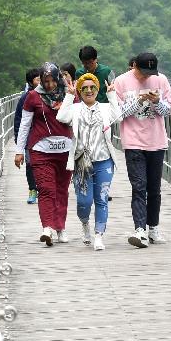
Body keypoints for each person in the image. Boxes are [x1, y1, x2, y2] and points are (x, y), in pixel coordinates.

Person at [115, 52, 171, 248]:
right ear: (134, 67)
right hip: (133, 142)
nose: (147, 77)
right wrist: (139, 101)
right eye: (143, 72)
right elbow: (120, 114)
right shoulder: (121, 82)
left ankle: (153, 228)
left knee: (154, 188)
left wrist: (157, 102)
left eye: (151, 72)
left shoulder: (161, 80)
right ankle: (139, 229)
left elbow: (169, 111)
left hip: (156, 140)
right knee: (139, 185)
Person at [57, 73, 121, 251]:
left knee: (101, 199)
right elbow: (61, 117)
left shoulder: (106, 108)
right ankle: (85, 223)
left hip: (104, 160)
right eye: (84, 88)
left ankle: (99, 235)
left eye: (92, 87)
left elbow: (120, 116)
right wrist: (69, 95)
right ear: (80, 91)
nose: (89, 90)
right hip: (81, 163)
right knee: (84, 202)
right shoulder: (75, 109)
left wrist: (112, 94)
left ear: (97, 88)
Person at [14, 63, 74, 246]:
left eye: (51, 81)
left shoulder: (69, 94)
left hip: (65, 149)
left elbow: (79, 118)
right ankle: (47, 227)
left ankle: (60, 227)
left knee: (62, 190)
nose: (48, 85)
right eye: (44, 81)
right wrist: (19, 151)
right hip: (40, 150)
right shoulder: (33, 96)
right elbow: (24, 125)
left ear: (58, 79)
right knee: (46, 189)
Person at [14, 68, 41, 204]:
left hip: (43, 137)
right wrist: (18, 142)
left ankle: (43, 190)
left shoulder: (49, 95)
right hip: (29, 138)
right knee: (30, 164)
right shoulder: (25, 98)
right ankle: (32, 189)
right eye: (38, 79)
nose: (41, 81)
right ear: (31, 82)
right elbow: (19, 120)